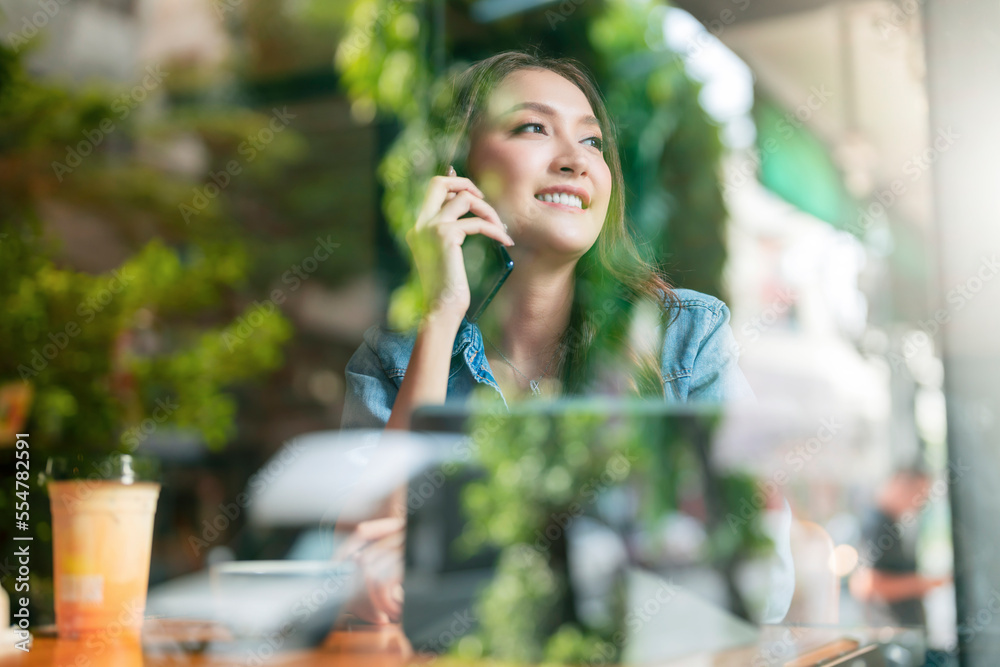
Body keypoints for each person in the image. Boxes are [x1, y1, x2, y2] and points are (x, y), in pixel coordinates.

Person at [337, 50, 754, 625]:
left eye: (591, 142)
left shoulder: (684, 336)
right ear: (458, 168)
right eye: (533, 127)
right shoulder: (395, 361)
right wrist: (441, 310)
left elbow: (753, 573)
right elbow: (366, 585)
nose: (574, 161)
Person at [850, 466, 951, 626]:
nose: (920, 503)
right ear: (899, 486)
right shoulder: (877, 525)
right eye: (919, 493)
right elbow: (868, 585)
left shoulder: (889, 523)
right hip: (892, 633)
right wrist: (928, 583)